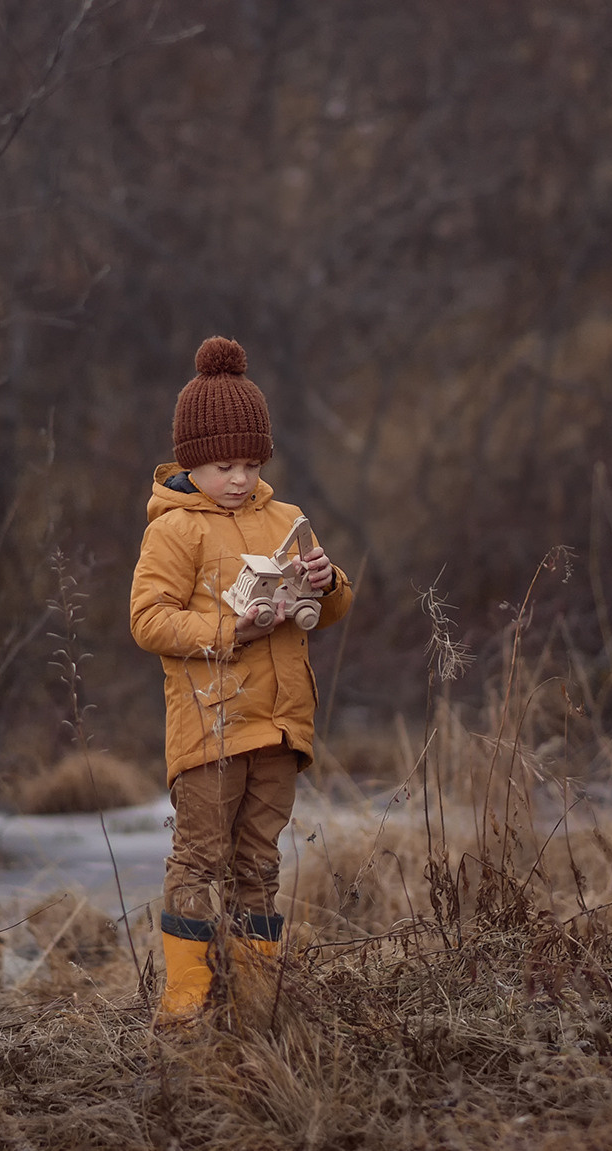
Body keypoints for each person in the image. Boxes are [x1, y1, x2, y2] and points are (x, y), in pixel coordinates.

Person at [129, 335, 351, 1023]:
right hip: (210, 725)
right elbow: (148, 620)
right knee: (198, 859)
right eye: (225, 463)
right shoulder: (173, 530)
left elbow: (328, 609)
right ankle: (185, 1001)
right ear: (191, 460)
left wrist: (328, 580)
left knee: (259, 864)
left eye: (252, 462)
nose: (240, 477)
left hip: (280, 726)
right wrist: (230, 633)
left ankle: (257, 997)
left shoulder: (284, 519)